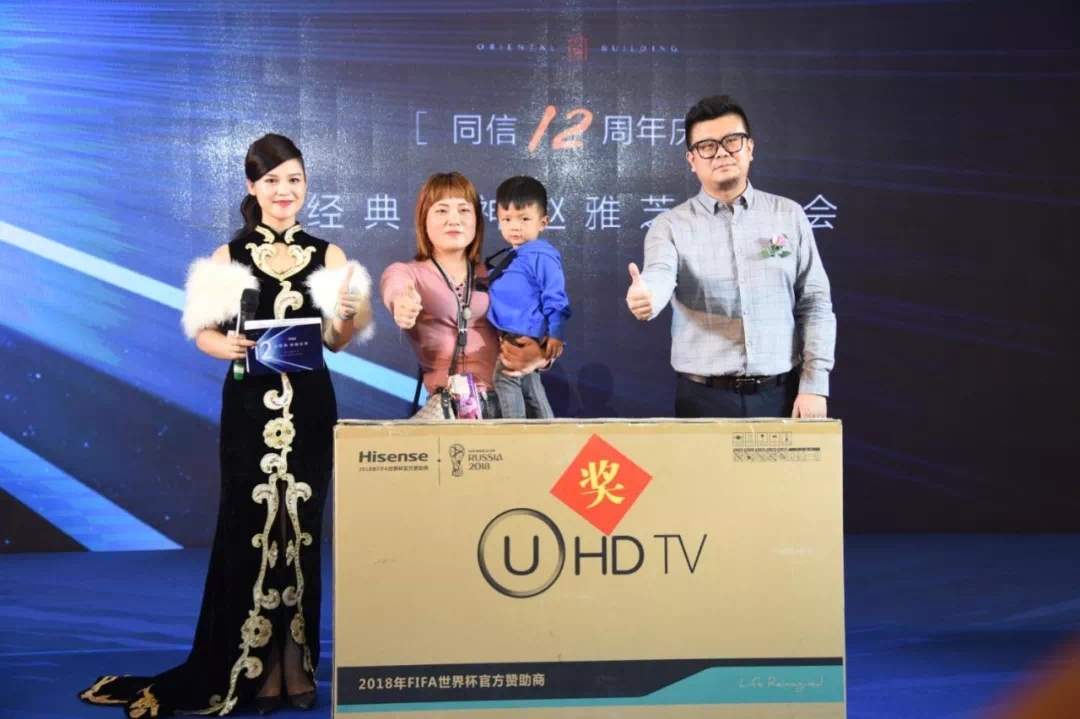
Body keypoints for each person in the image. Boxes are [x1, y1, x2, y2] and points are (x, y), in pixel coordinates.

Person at [79, 134, 373, 716]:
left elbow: (338, 340)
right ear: (252, 186)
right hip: (249, 411)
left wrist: (346, 314)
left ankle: (296, 667)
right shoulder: (227, 256)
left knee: (302, 532)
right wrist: (228, 346)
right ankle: (252, 671)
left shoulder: (331, 255)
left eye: (294, 179)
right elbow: (204, 333)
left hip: (311, 409)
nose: (284, 191)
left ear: (306, 185)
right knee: (251, 530)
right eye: (272, 181)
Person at [625, 95, 836, 419]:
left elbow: (815, 304)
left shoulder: (788, 215)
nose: (721, 152)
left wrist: (814, 385)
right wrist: (648, 295)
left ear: (749, 147)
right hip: (703, 400)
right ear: (692, 159)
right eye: (707, 146)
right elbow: (660, 272)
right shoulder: (670, 225)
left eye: (732, 141)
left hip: (783, 396)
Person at [380, 171, 548, 420]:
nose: (454, 220)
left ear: (477, 220)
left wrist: (540, 357)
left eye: (464, 210)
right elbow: (394, 287)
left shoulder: (499, 273)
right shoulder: (408, 273)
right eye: (442, 210)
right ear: (423, 219)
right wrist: (401, 303)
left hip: (508, 405)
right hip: (451, 410)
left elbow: (539, 329)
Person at [481, 175, 570, 419]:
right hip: (514, 331)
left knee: (505, 378)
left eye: (524, 219)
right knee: (529, 384)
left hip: (523, 331)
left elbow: (556, 297)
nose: (515, 226)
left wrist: (556, 333)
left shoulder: (542, 255)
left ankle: (515, 432)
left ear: (543, 222)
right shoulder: (513, 255)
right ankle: (547, 429)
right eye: (506, 219)